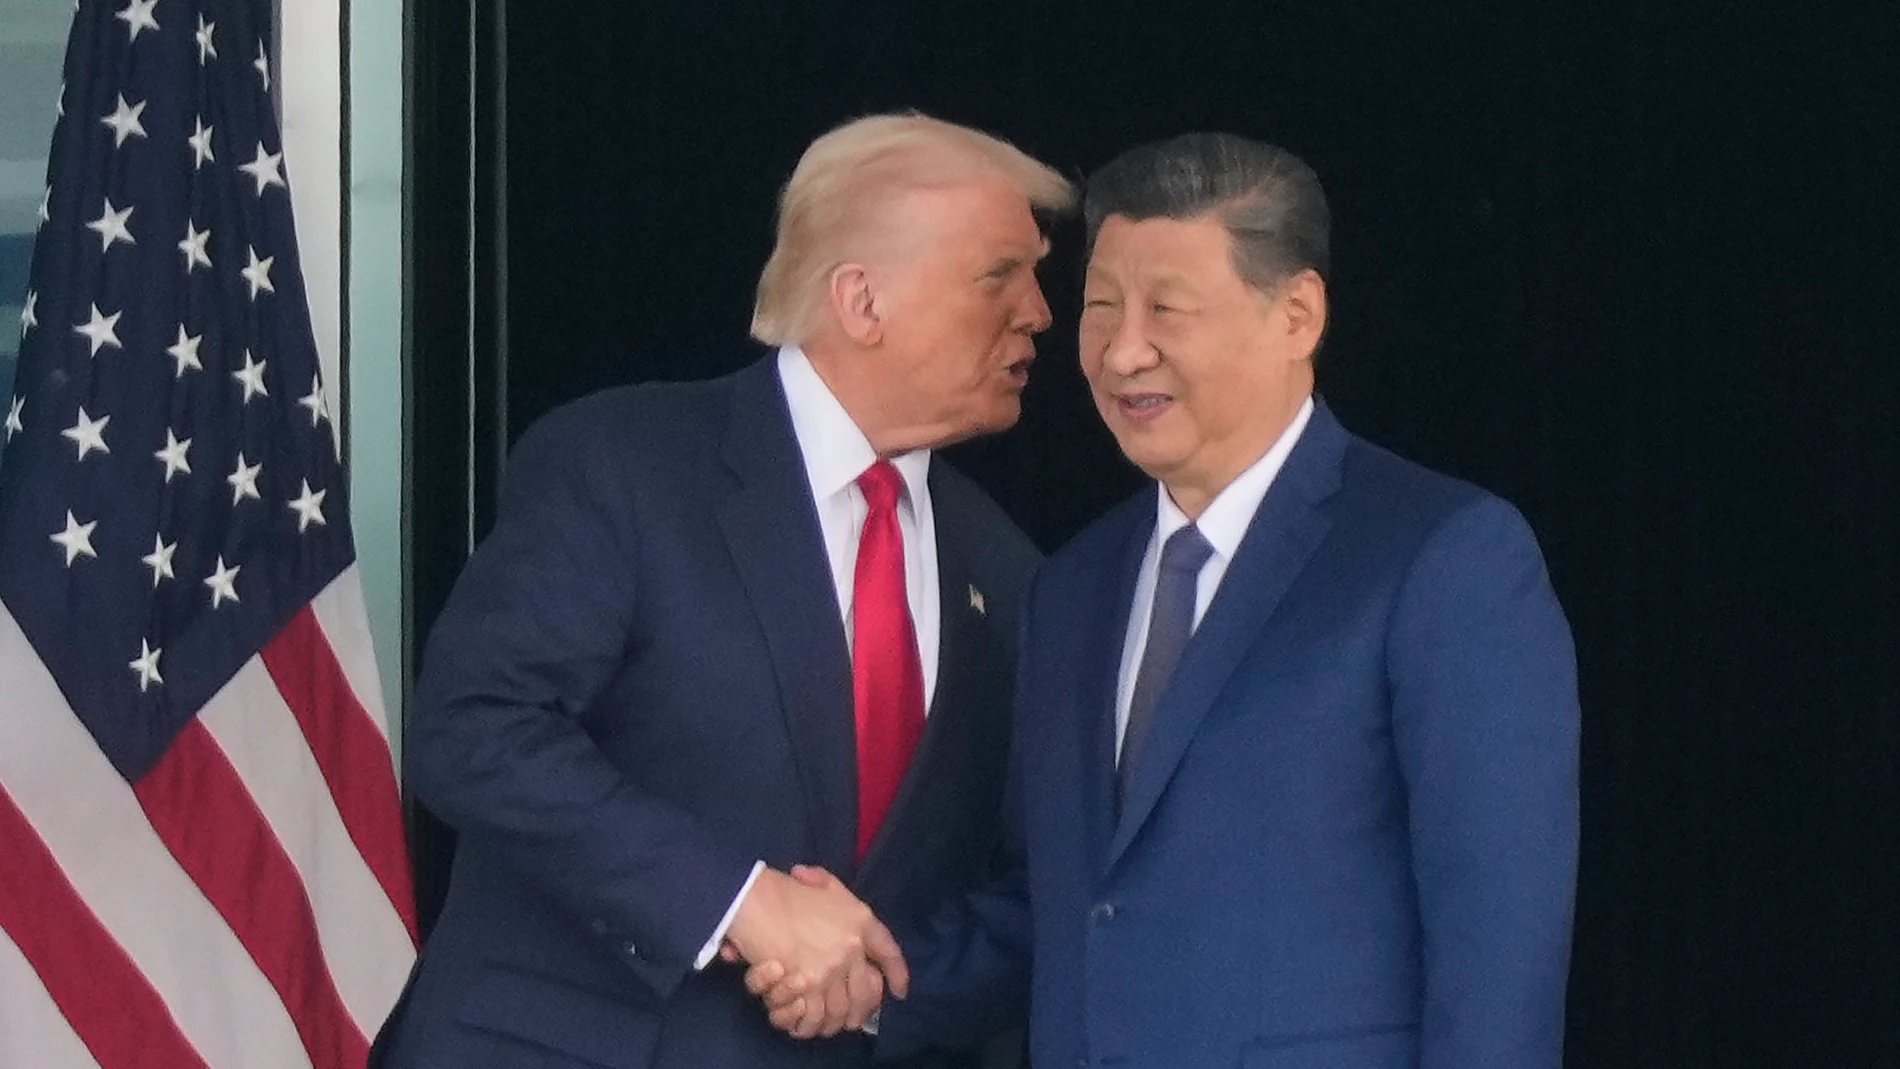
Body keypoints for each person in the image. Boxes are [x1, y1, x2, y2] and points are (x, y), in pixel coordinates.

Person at [760, 131, 1580, 1069]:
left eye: (1168, 308)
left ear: (1298, 316)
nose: (1122, 351)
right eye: (1101, 308)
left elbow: (1498, 939)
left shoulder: (1440, 556)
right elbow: (1061, 902)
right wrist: (871, 983)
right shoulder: (1067, 588)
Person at [374, 112, 1073, 1069]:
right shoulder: (625, 464)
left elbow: (1033, 881)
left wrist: (872, 992)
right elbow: (473, 729)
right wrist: (741, 901)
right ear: (862, 300)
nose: (1039, 310)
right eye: (1001, 273)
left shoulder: (1011, 572)